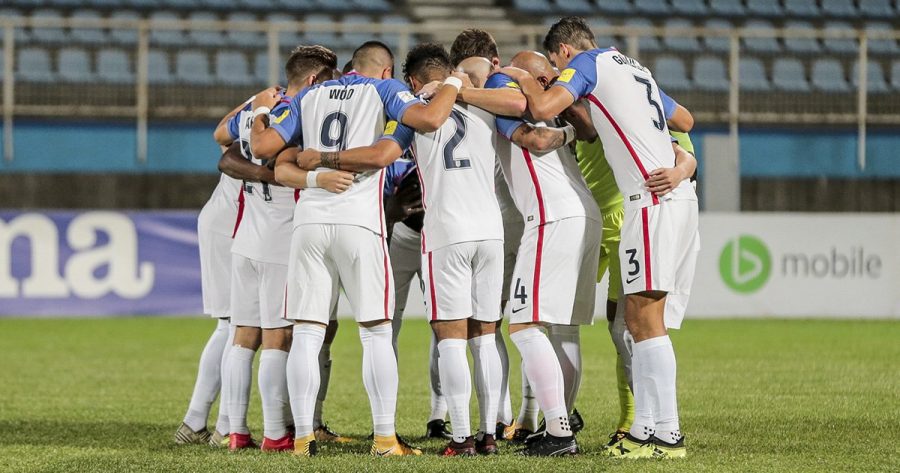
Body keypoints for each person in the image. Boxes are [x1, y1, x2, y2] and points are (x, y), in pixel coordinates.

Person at [296, 43, 507, 456]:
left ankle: (461, 438)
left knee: (449, 337)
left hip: (446, 231)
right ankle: (490, 434)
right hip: (492, 230)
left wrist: (322, 158)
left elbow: (386, 153)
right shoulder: (487, 104)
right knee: (485, 336)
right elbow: (517, 105)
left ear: (411, 80)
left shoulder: (412, 108)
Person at [504, 16, 701, 459]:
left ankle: (666, 436)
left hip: (648, 199)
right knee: (637, 322)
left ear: (564, 53)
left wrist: (522, 77)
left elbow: (540, 106)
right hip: (670, 200)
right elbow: (685, 119)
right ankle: (647, 430)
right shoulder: (636, 69)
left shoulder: (588, 63)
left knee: (644, 324)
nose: (558, 72)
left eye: (556, 65)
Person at [263, 40, 460, 457]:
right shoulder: (384, 92)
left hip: (310, 222)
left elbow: (268, 153)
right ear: (387, 72)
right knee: (375, 332)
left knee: (306, 333)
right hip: (359, 223)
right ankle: (385, 438)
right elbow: (426, 120)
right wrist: (455, 82)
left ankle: (301, 438)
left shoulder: (312, 93)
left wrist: (309, 159)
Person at [217, 47, 353, 451]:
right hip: (282, 240)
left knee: (243, 338)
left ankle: (237, 431)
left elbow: (223, 146)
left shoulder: (259, 110)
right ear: (314, 81)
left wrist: (257, 107)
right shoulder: (303, 113)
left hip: (246, 239)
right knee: (278, 340)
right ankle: (275, 433)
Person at [449, 30, 522, 441]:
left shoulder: (448, 99)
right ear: (493, 60)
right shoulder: (500, 87)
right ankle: (506, 417)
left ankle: (484, 422)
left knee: (461, 331)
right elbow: (516, 105)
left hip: (470, 224)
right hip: (505, 223)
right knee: (502, 328)